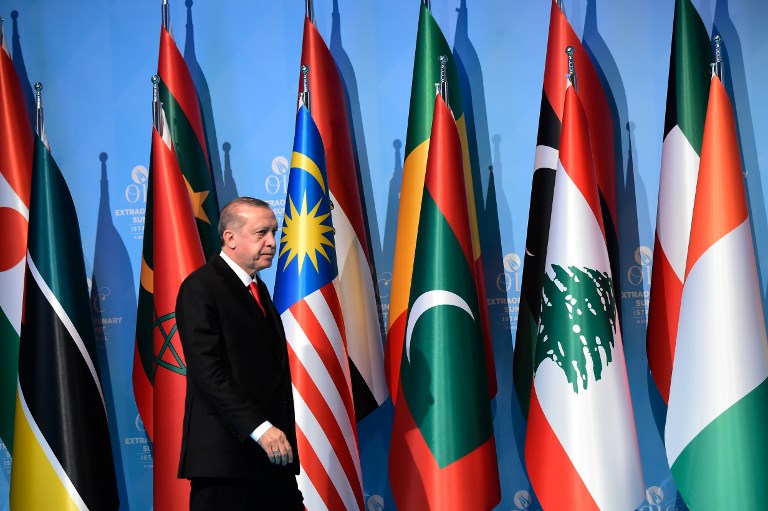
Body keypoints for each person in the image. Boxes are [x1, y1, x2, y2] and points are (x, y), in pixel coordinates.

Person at [176, 197, 303, 510]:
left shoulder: (258, 289)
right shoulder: (201, 287)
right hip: (226, 466)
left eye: (274, 233)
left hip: (271, 461)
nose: (272, 242)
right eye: (261, 234)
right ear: (230, 238)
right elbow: (208, 372)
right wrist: (261, 429)